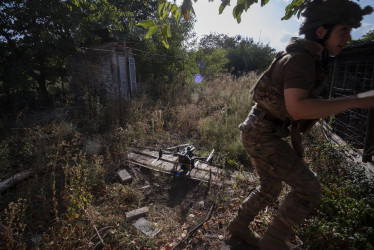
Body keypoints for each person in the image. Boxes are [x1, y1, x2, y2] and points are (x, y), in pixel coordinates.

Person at [226, 0, 374, 249]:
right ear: (321, 31)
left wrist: (297, 145)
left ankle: (238, 226)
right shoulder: (301, 61)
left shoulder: (310, 59)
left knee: (269, 188)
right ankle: (272, 243)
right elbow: (298, 107)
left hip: (259, 131)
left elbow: (295, 116)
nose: (349, 37)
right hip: (262, 134)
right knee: (309, 188)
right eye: (344, 30)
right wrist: (356, 101)